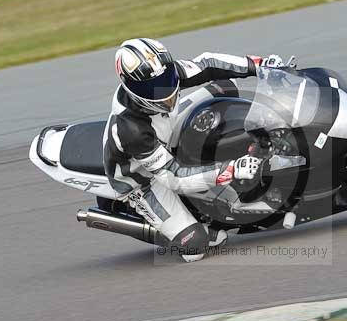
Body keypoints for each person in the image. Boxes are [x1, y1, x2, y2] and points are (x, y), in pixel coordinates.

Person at [103, 37, 282, 262]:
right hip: (144, 180)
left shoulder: (166, 76)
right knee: (195, 245)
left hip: (165, 132)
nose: (164, 90)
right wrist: (231, 169)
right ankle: (161, 224)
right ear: (130, 88)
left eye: (167, 78)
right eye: (150, 87)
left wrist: (259, 65)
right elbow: (174, 177)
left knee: (225, 87)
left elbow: (208, 64)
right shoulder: (132, 131)